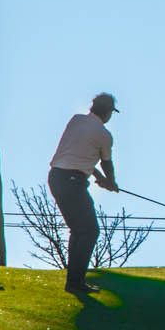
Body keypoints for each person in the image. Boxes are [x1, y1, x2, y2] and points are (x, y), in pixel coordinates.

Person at [48, 92, 120, 296]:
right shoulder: (104, 135)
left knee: (79, 230)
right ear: (107, 112)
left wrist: (96, 175)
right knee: (89, 231)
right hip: (72, 181)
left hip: (56, 177)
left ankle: (75, 281)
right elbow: (106, 162)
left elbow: (79, 153)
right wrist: (110, 182)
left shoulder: (76, 120)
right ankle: (75, 282)